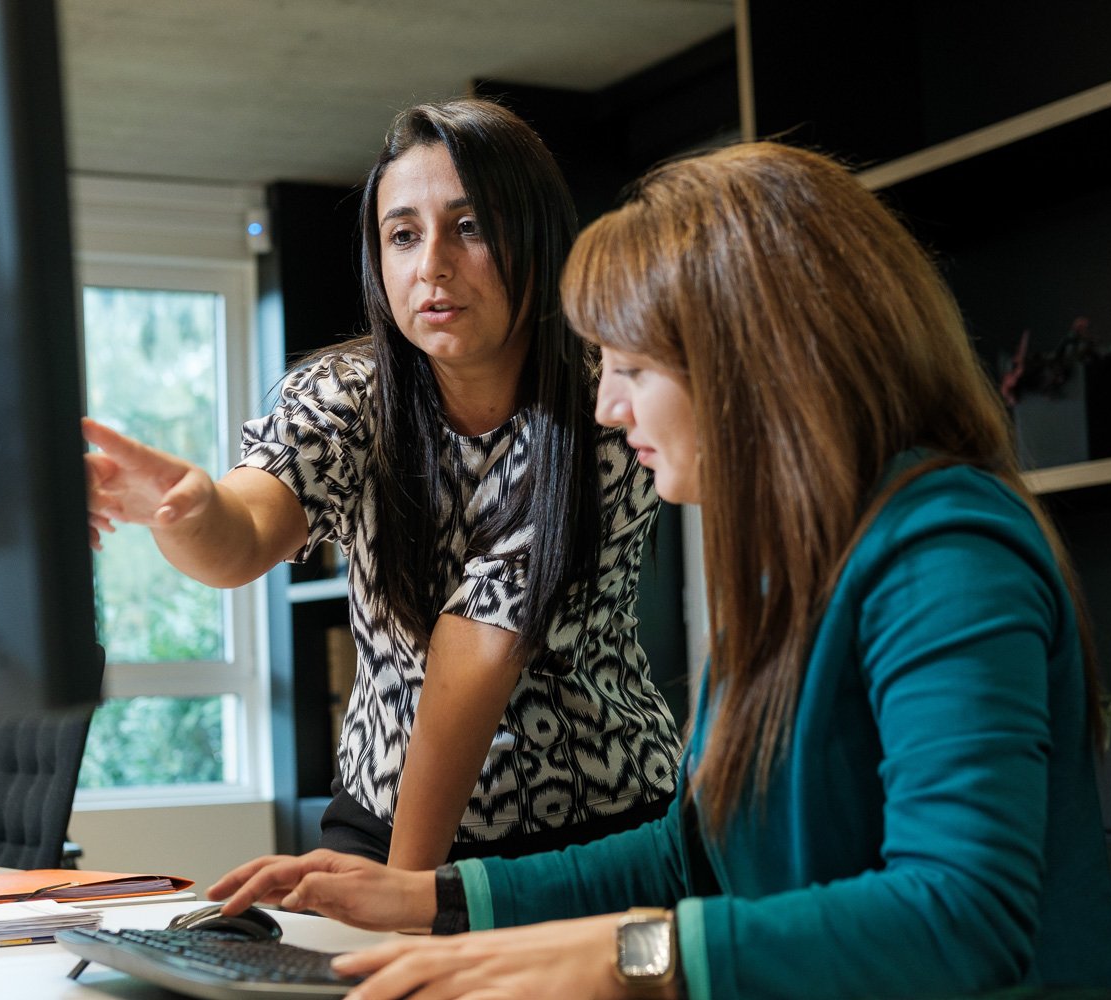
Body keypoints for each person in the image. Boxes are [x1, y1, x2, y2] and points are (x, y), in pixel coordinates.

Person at [201, 141, 1111, 999]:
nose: (607, 408)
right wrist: (430, 897)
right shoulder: (794, 564)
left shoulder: (947, 556)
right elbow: (690, 855)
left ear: (759, 361)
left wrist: (620, 954)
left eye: (633, 368)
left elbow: (960, 917)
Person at [84, 98, 681, 871]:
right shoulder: (348, 394)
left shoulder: (610, 408)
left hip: (602, 824)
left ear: (536, 236)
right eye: (403, 235)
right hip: (384, 810)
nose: (431, 264)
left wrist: (406, 897)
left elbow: (477, 655)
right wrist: (190, 513)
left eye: (469, 227)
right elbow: (246, 532)